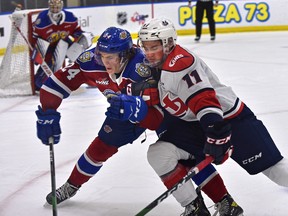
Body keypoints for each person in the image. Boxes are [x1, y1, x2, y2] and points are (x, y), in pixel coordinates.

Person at [36, 26, 239, 216]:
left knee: (186, 153)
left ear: (125, 55)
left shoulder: (145, 68)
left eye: (111, 57)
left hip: (162, 111)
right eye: (101, 55)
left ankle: (223, 201)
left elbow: (157, 117)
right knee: (100, 148)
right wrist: (48, 112)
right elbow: (56, 84)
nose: (104, 62)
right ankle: (72, 185)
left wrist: (139, 111)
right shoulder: (90, 61)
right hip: (121, 113)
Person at [136, 17, 288, 214]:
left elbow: (205, 101)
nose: (148, 53)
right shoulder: (156, 63)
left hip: (228, 121)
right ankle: (196, 207)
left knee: (274, 170)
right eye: (145, 47)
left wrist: (216, 132)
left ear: (169, 44)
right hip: (197, 126)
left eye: (153, 47)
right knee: (160, 153)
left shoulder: (180, 64)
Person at [32, 0, 94, 90]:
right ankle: (43, 81)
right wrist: (37, 52)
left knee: (79, 54)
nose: (55, 9)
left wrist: (82, 38)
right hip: (49, 48)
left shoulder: (70, 17)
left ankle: (90, 78)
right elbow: (35, 38)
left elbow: (77, 32)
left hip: (64, 43)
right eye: (53, 6)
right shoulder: (41, 20)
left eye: (57, 6)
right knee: (40, 81)